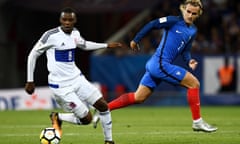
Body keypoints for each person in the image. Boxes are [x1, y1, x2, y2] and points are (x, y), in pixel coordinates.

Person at [93, 0, 217, 132]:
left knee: (138, 97)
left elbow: (185, 50)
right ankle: (197, 122)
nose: (190, 15)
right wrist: (136, 39)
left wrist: (189, 61)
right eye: (188, 11)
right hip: (160, 64)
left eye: (194, 13)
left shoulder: (192, 31)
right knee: (194, 83)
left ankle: (103, 109)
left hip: (157, 65)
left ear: (198, 14)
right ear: (183, 9)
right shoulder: (173, 21)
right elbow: (152, 24)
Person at [25, 7, 123, 144]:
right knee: (87, 119)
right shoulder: (50, 35)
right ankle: (58, 117)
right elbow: (33, 55)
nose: (67, 22)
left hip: (77, 79)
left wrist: (106, 45)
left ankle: (109, 141)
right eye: (64, 19)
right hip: (61, 86)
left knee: (102, 105)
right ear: (60, 20)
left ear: (75, 21)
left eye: (70, 20)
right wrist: (30, 80)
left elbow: (84, 45)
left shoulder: (75, 33)